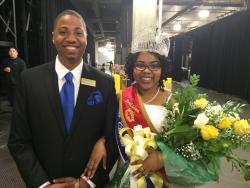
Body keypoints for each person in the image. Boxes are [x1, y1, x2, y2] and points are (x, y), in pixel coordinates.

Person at [8, 9, 118, 188]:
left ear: (86, 39)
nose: (71, 38)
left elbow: (113, 136)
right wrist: (41, 184)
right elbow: (18, 140)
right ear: (53, 37)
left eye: (78, 32)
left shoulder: (104, 83)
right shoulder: (29, 80)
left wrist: (88, 182)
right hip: (45, 182)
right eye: (63, 31)